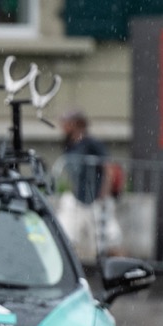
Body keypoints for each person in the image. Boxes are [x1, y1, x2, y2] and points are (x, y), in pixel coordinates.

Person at [56, 109, 123, 262]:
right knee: (68, 236)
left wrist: (103, 193)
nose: (63, 125)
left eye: (67, 122)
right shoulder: (69, 144)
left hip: (96, 198)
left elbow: (109, 169)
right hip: (78, 197)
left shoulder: (91, 143)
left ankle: (126, 271)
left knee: (108, 241)